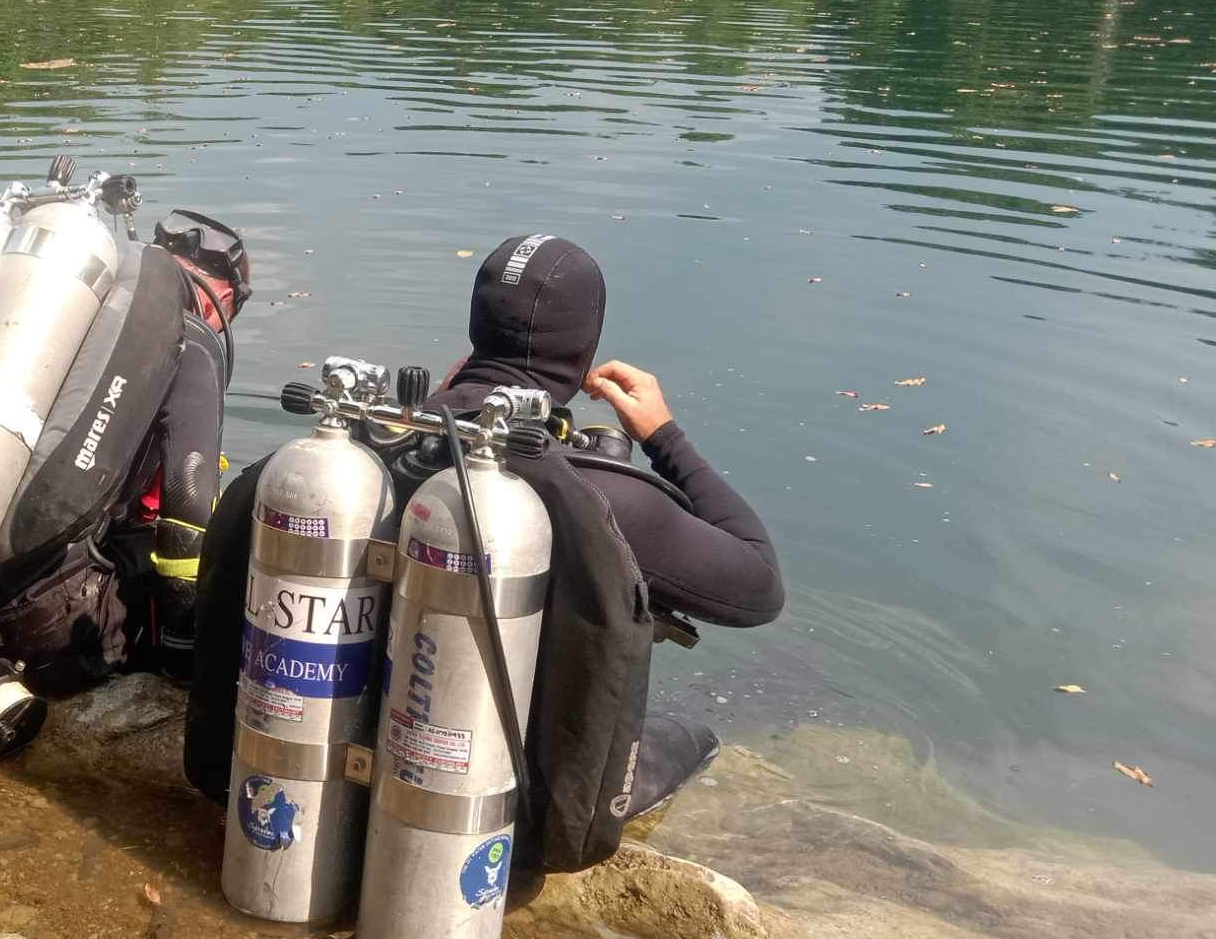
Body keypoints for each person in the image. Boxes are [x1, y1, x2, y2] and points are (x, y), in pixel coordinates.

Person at [186, 233, 783, 869]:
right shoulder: (601, 496)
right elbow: (759, 584)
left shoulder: (369, 449)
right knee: (692, 737)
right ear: (585, 359)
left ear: (476, 329)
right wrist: (664, 435)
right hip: (485, 805)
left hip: (318, 756)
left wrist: (455, 391)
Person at [0, 210, 250, 705]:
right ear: (223, 293)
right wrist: (184, 655)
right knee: (229, 550)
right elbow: (188, 495)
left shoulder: (68, 312)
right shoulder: (189, 338)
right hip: (45, 639)